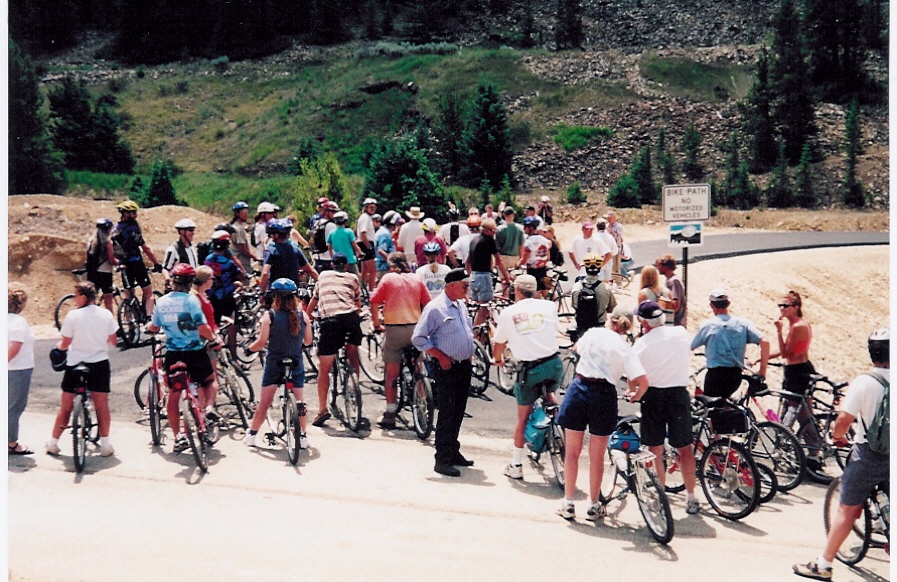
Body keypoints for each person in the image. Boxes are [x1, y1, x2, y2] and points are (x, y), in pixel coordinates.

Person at [792, 329, 890, 581]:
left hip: (869, 455)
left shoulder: (865, 382)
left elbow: (844, 420)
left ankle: (823, 565)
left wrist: (837, 437)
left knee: (847, 509)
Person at [555, 306, 648, 520]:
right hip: (604, 394)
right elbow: (642, 381)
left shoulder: (593, 333)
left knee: (572, 452)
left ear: (610, 319)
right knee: (596, 457)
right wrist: (634, 395)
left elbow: (576, 349)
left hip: (579, 389)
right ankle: (593, 505)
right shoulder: (625, 348)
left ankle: (568, 503)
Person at [630, 301, 700, 515]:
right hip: (678, 393)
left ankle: (661, 497)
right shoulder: (680, 333)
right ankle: (691, 497)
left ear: (643, 322)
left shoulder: (641, 345)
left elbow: (634, 376)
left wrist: (633, 392)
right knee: (685, 448)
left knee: (655, 449)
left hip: (654, 396)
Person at [492, 275, 564, 480]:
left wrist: (497, 359)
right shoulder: (549, 306)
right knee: (550, 394)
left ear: (517, 291)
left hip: (530, 370)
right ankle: (557, 424)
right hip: (554, 363)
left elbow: (499, 344)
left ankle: (516, 465)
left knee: (522, 417)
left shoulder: (508, 313)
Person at [146, 264, 222, 453]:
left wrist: (149, 328)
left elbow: (154, 327)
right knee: (210, 380)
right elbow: (202, 327)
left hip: (173, 354)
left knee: (174, 394)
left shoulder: (162, 302)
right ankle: (209, 408)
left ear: (172, 281)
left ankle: (178, 437)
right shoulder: (191, 301)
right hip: (195, 352)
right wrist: (214, 339)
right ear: (190, 282)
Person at [412, 268, 476, 477]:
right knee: (447, 412)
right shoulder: (435, 308)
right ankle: (442, 459)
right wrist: (440, 356)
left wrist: (468, 352)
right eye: (464, 285)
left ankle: (453, 451)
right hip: (446, 368)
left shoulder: (460, 305)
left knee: (458, 411)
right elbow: (419, 338)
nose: (467, 289)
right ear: (452, 286)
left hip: (463, 366)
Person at [45, 282, 119, 458]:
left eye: (75, 296)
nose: (74, 299)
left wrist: (59, 347)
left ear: (84, 297)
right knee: (102, 406)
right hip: (99, 364)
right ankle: (105, 445)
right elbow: (113, 342)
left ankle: (53, 443)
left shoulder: (73, 316)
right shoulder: (106, 314)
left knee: (66, 407)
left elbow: (65, 344)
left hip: (75, 364)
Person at [243, 279, 314, 449]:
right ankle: (303, 436)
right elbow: (308, 341)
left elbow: (261, 342)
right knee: (299, 401)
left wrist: (249, 350)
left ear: (275, 297)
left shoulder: (270, 316)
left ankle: (252, 435)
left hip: (275, 363)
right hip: (295, 362)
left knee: (265, 402)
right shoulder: (303, 316)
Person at [370, 253, 431, 428]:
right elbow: (427, 303)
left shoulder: (388, 278)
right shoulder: (416, 278)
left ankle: (390, 413)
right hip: (415, 328)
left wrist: (377, 324)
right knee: (419, 364)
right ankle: (422, 396)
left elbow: (374, 301)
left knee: (391, 374)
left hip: (394, 330)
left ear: (391, 265)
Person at [306, 252, 363, 427]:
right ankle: (354, 386)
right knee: (352, 353)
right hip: (350, 318)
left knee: (324, 368)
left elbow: (315, 299)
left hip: (330, 321)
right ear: (346, 266)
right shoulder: (353, 278)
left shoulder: (323, 276)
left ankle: (322, 410)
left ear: (332, 265)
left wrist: (307, 317)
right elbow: (357, 305)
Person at [768, 290, 821, 467]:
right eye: (780, 305)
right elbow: (787, 351)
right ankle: (812, 452)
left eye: (785, 305)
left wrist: (778, 331)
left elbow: (785, 353)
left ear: (796, 307)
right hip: (797, 369)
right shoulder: (798, 324)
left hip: (797, 372)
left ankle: (812, 451)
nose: (781, 308)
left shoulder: (798, 326)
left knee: (798, 412)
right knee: (802, 412)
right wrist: (763, 357)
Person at [691, 288, 769, 398]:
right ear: (728, 304)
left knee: (711, 404)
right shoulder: (742, 323)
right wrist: (762, 371)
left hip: (715, 375)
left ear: (711, 305)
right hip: (735, 375)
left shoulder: (707, 325)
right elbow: (765, 341)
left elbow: (691, 346)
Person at [111, 200, 162, 317]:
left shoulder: (115, 229)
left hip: (123, 265)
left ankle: (129, 321)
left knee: (129, 295)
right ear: (126, 213)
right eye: (133, 212)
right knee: (149, 294)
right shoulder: (133, 229)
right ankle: (148, 318)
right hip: (136, 263)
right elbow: (145, 248)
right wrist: (156, 263)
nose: (136, 215)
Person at [466, 217, 512, 327]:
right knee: (484, 309)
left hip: (473, 277)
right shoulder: (489, 240)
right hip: (484, 277)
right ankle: (475, 333)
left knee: (477, 309)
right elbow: (499, 261)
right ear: (487, 230)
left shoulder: (473, 240)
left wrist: (469, 276)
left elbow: (467, 262)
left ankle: (478, 332)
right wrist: (507, 278)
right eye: (493, 230)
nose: (494, 233)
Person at [204, 230, 243, 359]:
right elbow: (240, 275)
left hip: (212, 299)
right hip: (227, 299)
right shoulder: (228, 263)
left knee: (213, 327)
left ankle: (214, 357)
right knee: (232, 328)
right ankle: (234, 357)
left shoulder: (207, 260)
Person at [259, 218, 318, 295]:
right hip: (293, 292)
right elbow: (310, 270)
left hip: (276, 293)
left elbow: (265, 273)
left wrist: (262, 292)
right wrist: (321, 283)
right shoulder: (295, 249)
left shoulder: (271, 249)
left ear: (276, 235)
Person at [8, 285, 35, 456]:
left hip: (13, 369)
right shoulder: (18, 322)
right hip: (18, 370)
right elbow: (15, 347)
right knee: (14, 407)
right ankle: (11, 443)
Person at [570, 254, 616, 337]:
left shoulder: (576, 286)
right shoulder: (606, 288)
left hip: (582, 327)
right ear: (599, 268)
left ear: (585, 268)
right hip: (599, 326)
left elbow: (574, 305)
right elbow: (611, 308)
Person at [85, 218, 118, 312]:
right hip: (105, 273)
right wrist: (120, 263)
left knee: (91, 300)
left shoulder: (91, 241)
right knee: (108, 301)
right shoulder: (108, 243)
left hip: (92, 272)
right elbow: (112, 260)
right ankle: (109, 320)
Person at [516, 216, 552, 297]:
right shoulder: (544, 239)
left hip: (533, 270)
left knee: (534, 293)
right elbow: (548, 256)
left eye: (525, 227)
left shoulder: (529, 242)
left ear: (531, 228)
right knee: (544, 290)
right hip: (543, 268)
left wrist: (517, 265)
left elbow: (524, 258)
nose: (524, 229)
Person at [162, 218, 199, 288]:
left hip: (192, 285)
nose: (193, 233)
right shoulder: (173, 249)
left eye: (193, 230)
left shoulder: (192, 247)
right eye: (190, 230)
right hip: (180, 286)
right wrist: (168, 280)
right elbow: (165, 269)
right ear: (182, 232)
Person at [327, 211, 363, 275]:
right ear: (345, 221)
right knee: (355, 278)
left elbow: (329, 248)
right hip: (350, 261)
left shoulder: (331, 233)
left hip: (338, 263)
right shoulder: (349, 231)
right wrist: (360, 253)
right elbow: (354, 245)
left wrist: (333, 258)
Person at [655, 254, 686, 326]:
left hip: (676, 322)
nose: (657, 268)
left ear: (665, 267)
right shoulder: (669, 280)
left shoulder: (674, 282)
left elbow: (676, 304)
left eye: (659, 266)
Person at [356, 197, 379, 291]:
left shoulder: (365, 217)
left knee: (364, 270)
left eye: (374, 207)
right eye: (371, 207)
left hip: (363, 244)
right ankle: (371, 291)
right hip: (366, 244)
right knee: (373, 270)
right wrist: (368, 247)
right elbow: (363, 233)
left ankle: (362, 289)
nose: (373, 209)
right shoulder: (365, 218)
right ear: (366, 208)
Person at [310, 201, 338, 272]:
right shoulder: (331, 225)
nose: (335, 214)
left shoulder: (317, 223)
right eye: (333, 212)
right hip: (328, 259)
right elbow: (334, 244)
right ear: (326, 212)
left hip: (317, 258)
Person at [374, 211, 400, 282]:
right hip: (385, 268)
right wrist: (392, 263)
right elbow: (380, 250)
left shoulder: (382, 231)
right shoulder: (385, 234)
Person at [594, 219, 619, 284]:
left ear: (597, 227)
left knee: (598, 279)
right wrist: (609, 256)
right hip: (608, 260)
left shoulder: (594, 237)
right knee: (606, 280)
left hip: (597, 259)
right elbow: (615, 250)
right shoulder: (610, 237)